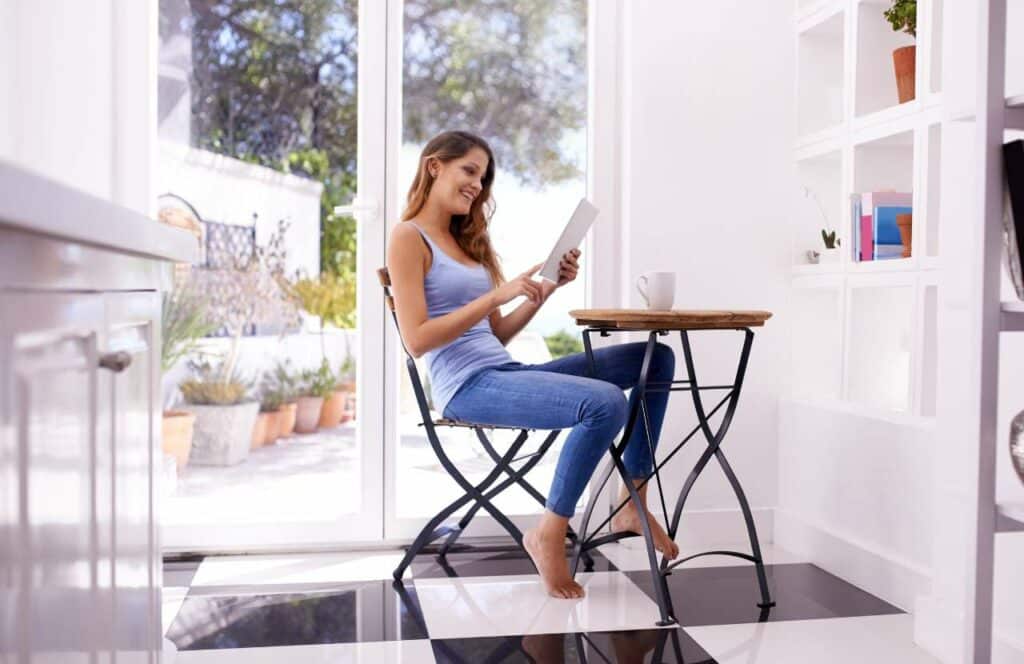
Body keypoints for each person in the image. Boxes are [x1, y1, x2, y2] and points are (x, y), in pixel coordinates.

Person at [386, 130, 678, 599]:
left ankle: (632, 502)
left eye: (482, 179)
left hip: (504, 372)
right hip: (465, 387)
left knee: (655, 358)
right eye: (470, 171)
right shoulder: (408, 237)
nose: (477, 186)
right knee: (603, 403)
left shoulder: (469, 244)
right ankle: (548, 533)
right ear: (434, 166)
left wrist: (544, 291)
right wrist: (494, 295)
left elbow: (495, 334)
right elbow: (417, 340)